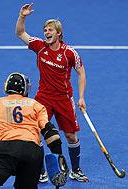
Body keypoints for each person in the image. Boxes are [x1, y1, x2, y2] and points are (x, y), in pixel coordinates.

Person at [15, 3, 89, 182]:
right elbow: (20, 33)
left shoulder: (69, 53)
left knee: (71, 136)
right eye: (45, 30)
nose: (46, 33)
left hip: (64, 99)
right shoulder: (40, 46)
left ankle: (75, 170)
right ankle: (40, 171)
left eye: (50, 30)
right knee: (34, 133)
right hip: (43, 98)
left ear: (59, 33)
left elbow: (81, 72)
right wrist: (22, 16)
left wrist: (81, 97)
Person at [0, 72, 68, 189]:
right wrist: (58, 158)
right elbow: (52, 136)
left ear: (6, 86)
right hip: (33, 152)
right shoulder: (36, 105)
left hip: (7, 149)